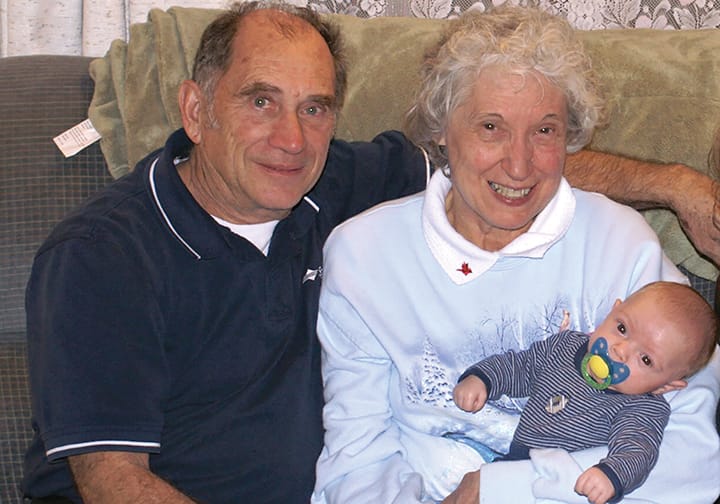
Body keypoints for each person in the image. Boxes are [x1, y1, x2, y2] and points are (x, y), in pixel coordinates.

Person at [21, 2, 719, 503]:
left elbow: (510, 175)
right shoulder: (104, 256)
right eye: (260, 101)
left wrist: (674, 185)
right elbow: (113, 483)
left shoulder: (335, 186)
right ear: (197, 110)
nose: (291, 139)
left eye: (315, 108)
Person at [311, 6, 720, 504]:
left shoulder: (622, 245)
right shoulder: (363, 256)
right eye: (491, 127)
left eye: (545, 131)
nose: (520, 165)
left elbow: (693, 461)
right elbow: (357, 458)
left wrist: (502, 489)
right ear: (440, 128)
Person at [454, 281, 718, 504]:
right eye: (622, 329)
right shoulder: (564, 347)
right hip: (516, 462)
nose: (620, 350)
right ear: (614, 310)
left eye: (645, 359)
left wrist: (611, 474)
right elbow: (521, 366)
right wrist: (483, 379)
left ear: (666, 386)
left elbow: (638, 448)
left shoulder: (641, 406)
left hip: (568, 484)